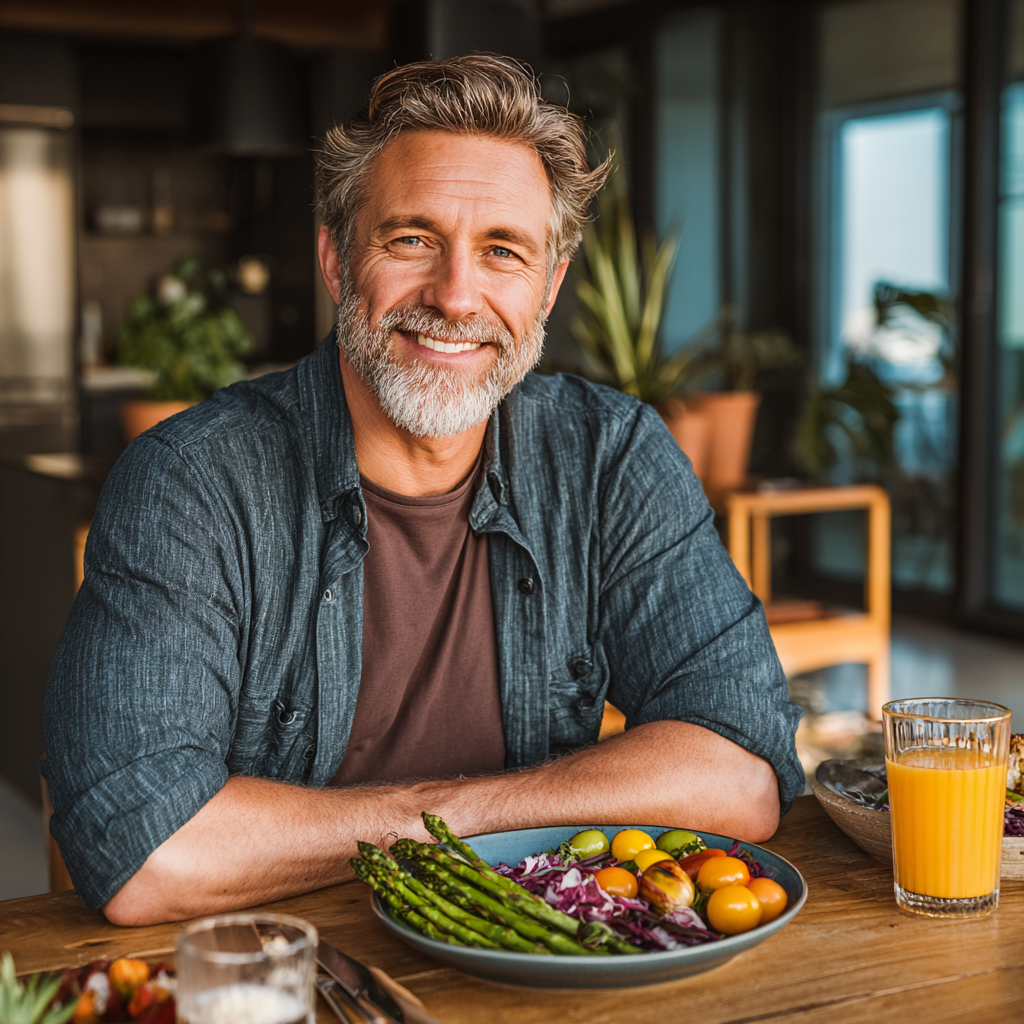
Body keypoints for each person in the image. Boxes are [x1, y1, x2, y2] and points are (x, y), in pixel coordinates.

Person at [43, 55, 803, 927]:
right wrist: (467, 821)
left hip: (538, 967)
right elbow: (148, 852)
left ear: (549, 287)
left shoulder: (611, 457)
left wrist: (438, 821)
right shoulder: (191, 482)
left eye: (503, 251)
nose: (455, 295)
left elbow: (741, 769)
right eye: (412, 240)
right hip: (281, 973)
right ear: (336, 259)